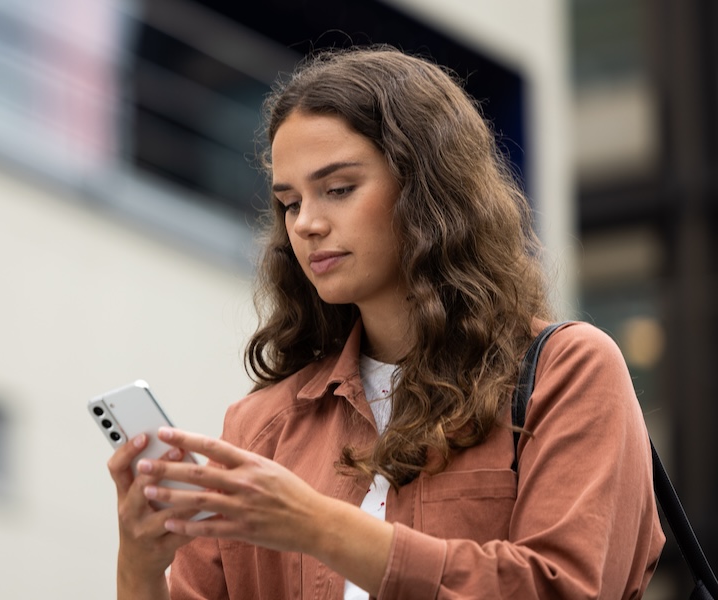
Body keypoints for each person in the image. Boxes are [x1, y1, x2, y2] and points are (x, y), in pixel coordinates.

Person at [106, 47, 665, 600]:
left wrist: (315, 524)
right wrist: (140, 564)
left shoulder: (566, 371)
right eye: (290, 202)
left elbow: (562, 587)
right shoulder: (262, 426)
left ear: (426, 188)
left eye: (339, 189)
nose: (307, 224)